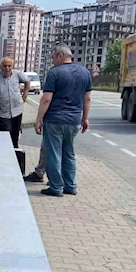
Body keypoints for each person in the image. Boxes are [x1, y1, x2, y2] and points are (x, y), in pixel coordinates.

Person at [34, 45, 91, 197]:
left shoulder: (54, 73)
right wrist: (85, 118)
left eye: (53, 58)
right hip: (74, 121)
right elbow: (87, 98)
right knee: (69, 153)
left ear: (60, 56)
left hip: (55, 120)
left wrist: (38, 119)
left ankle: (56, 187)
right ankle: (70, 186)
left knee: (54, 154)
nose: (53, 61)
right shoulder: (85, 73)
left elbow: (46, 99)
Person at [0, 57, 30, 148]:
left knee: (15, 135)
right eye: (5, 66)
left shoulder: (17, 74)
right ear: (0, 67)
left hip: (17, 110)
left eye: (9, 66)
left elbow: (27, 81)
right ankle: (6, 153)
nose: (7, 68)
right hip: (3, 112)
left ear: (12, 66)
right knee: (6, 135)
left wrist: (25, 95)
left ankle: (15, 153)